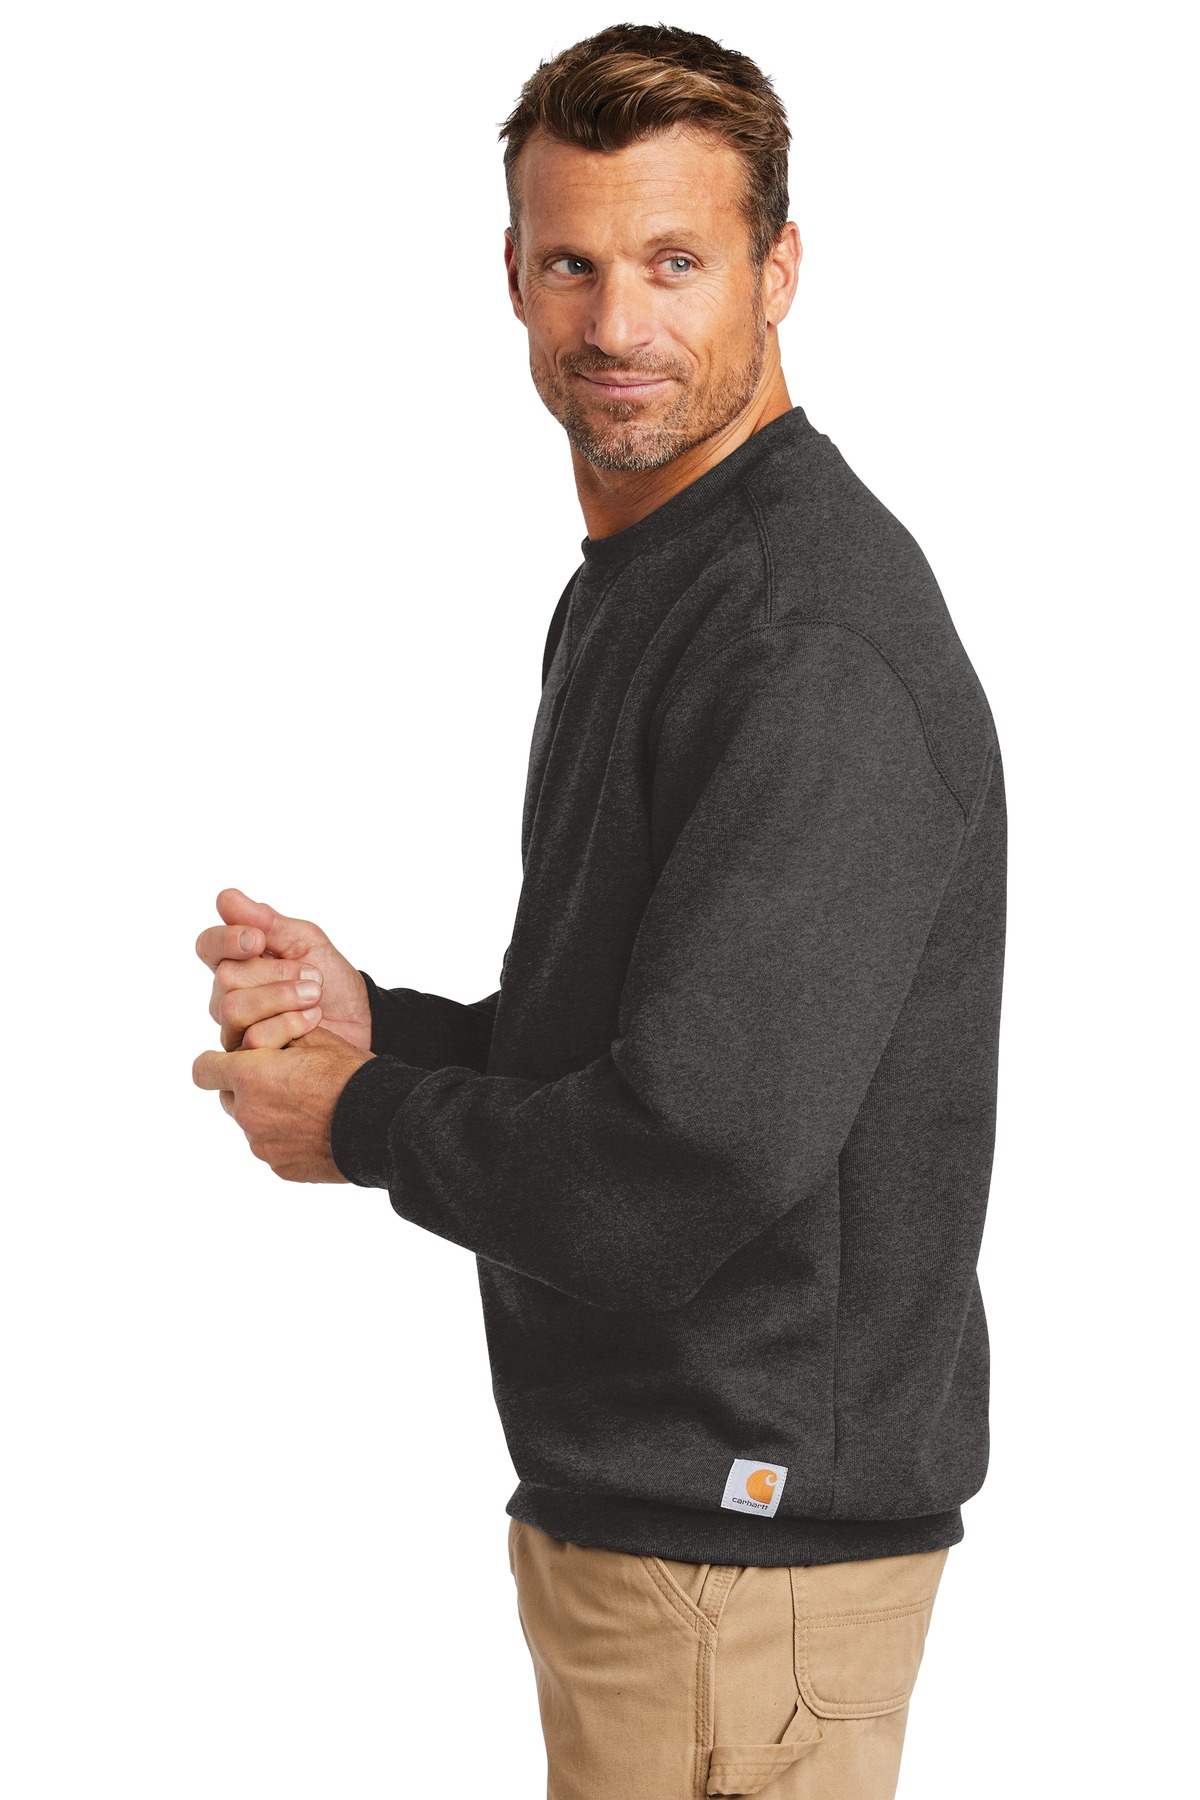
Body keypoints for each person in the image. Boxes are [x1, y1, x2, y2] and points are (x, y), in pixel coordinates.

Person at [192, 23, 1007, 1799]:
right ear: (510, 275)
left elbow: (683, 1164)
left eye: (675, 261)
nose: (617, 323)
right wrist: (383, 1028)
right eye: (572, 263)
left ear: (779, 268)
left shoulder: (803, 639)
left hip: (739, 1575)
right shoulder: (660, 576)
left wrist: (364, 1119)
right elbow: (652, 1045)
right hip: (670, 1545)